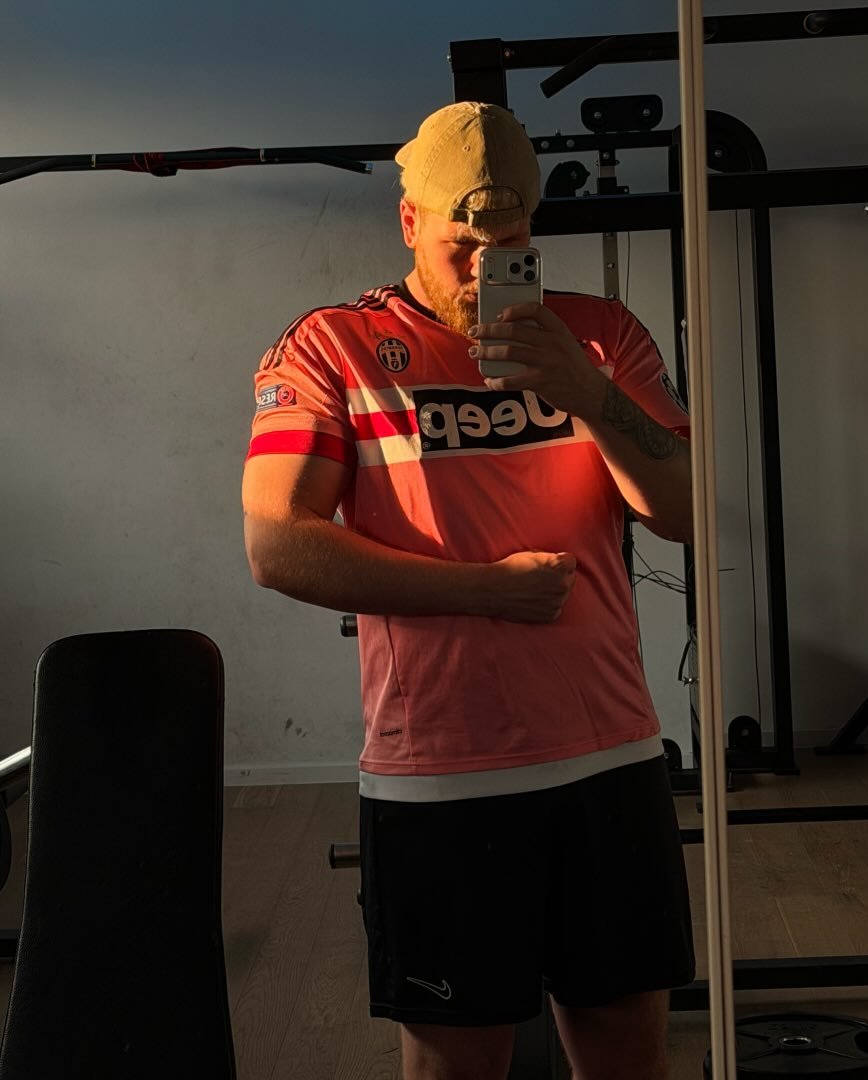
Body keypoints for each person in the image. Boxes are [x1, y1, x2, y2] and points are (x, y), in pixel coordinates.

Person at [242, 100, 696, 1080]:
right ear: (409, 222)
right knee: (458, 1064)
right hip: (442, 772)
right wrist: (482, 591)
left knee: (629, 1053)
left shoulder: (598, 334)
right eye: (463, 247)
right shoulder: (333, 347)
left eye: (513, 244)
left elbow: (685, 510)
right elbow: (277, 545)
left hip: (609, 753)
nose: (488, 270)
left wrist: (591, 395)